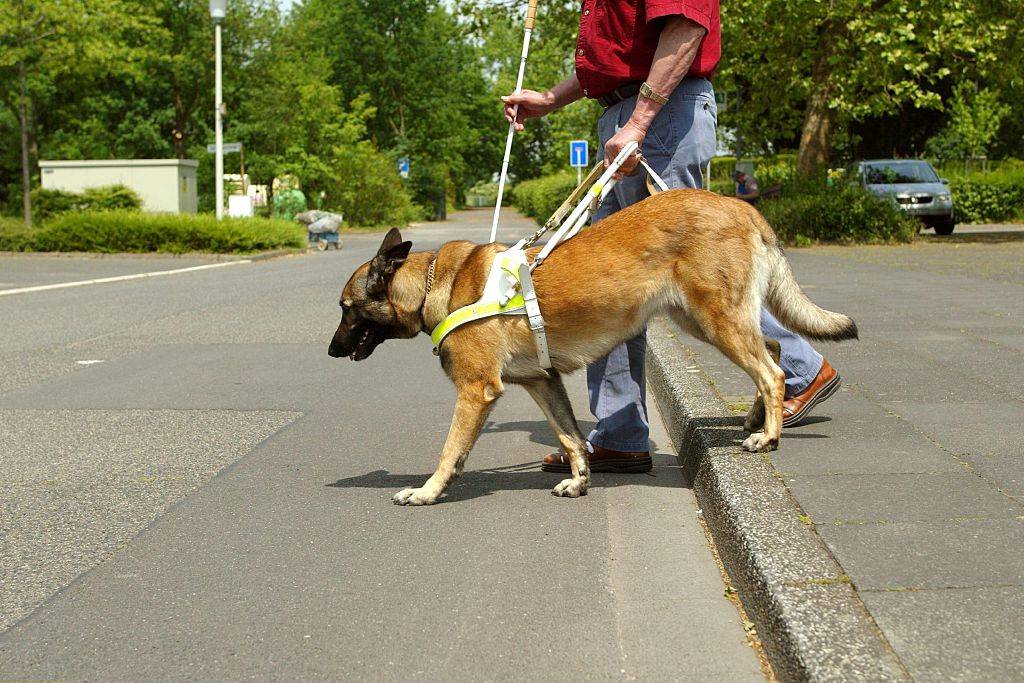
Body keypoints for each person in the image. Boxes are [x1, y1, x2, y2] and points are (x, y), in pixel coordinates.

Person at [503, 0, 841, 473]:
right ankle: (620, 434)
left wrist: (639, 122)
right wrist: (551, 99)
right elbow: (615, 56)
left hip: (660, 115)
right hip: (633, 113)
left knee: (702, 276)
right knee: (611, 284)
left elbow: (685, 26)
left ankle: (798, 369)